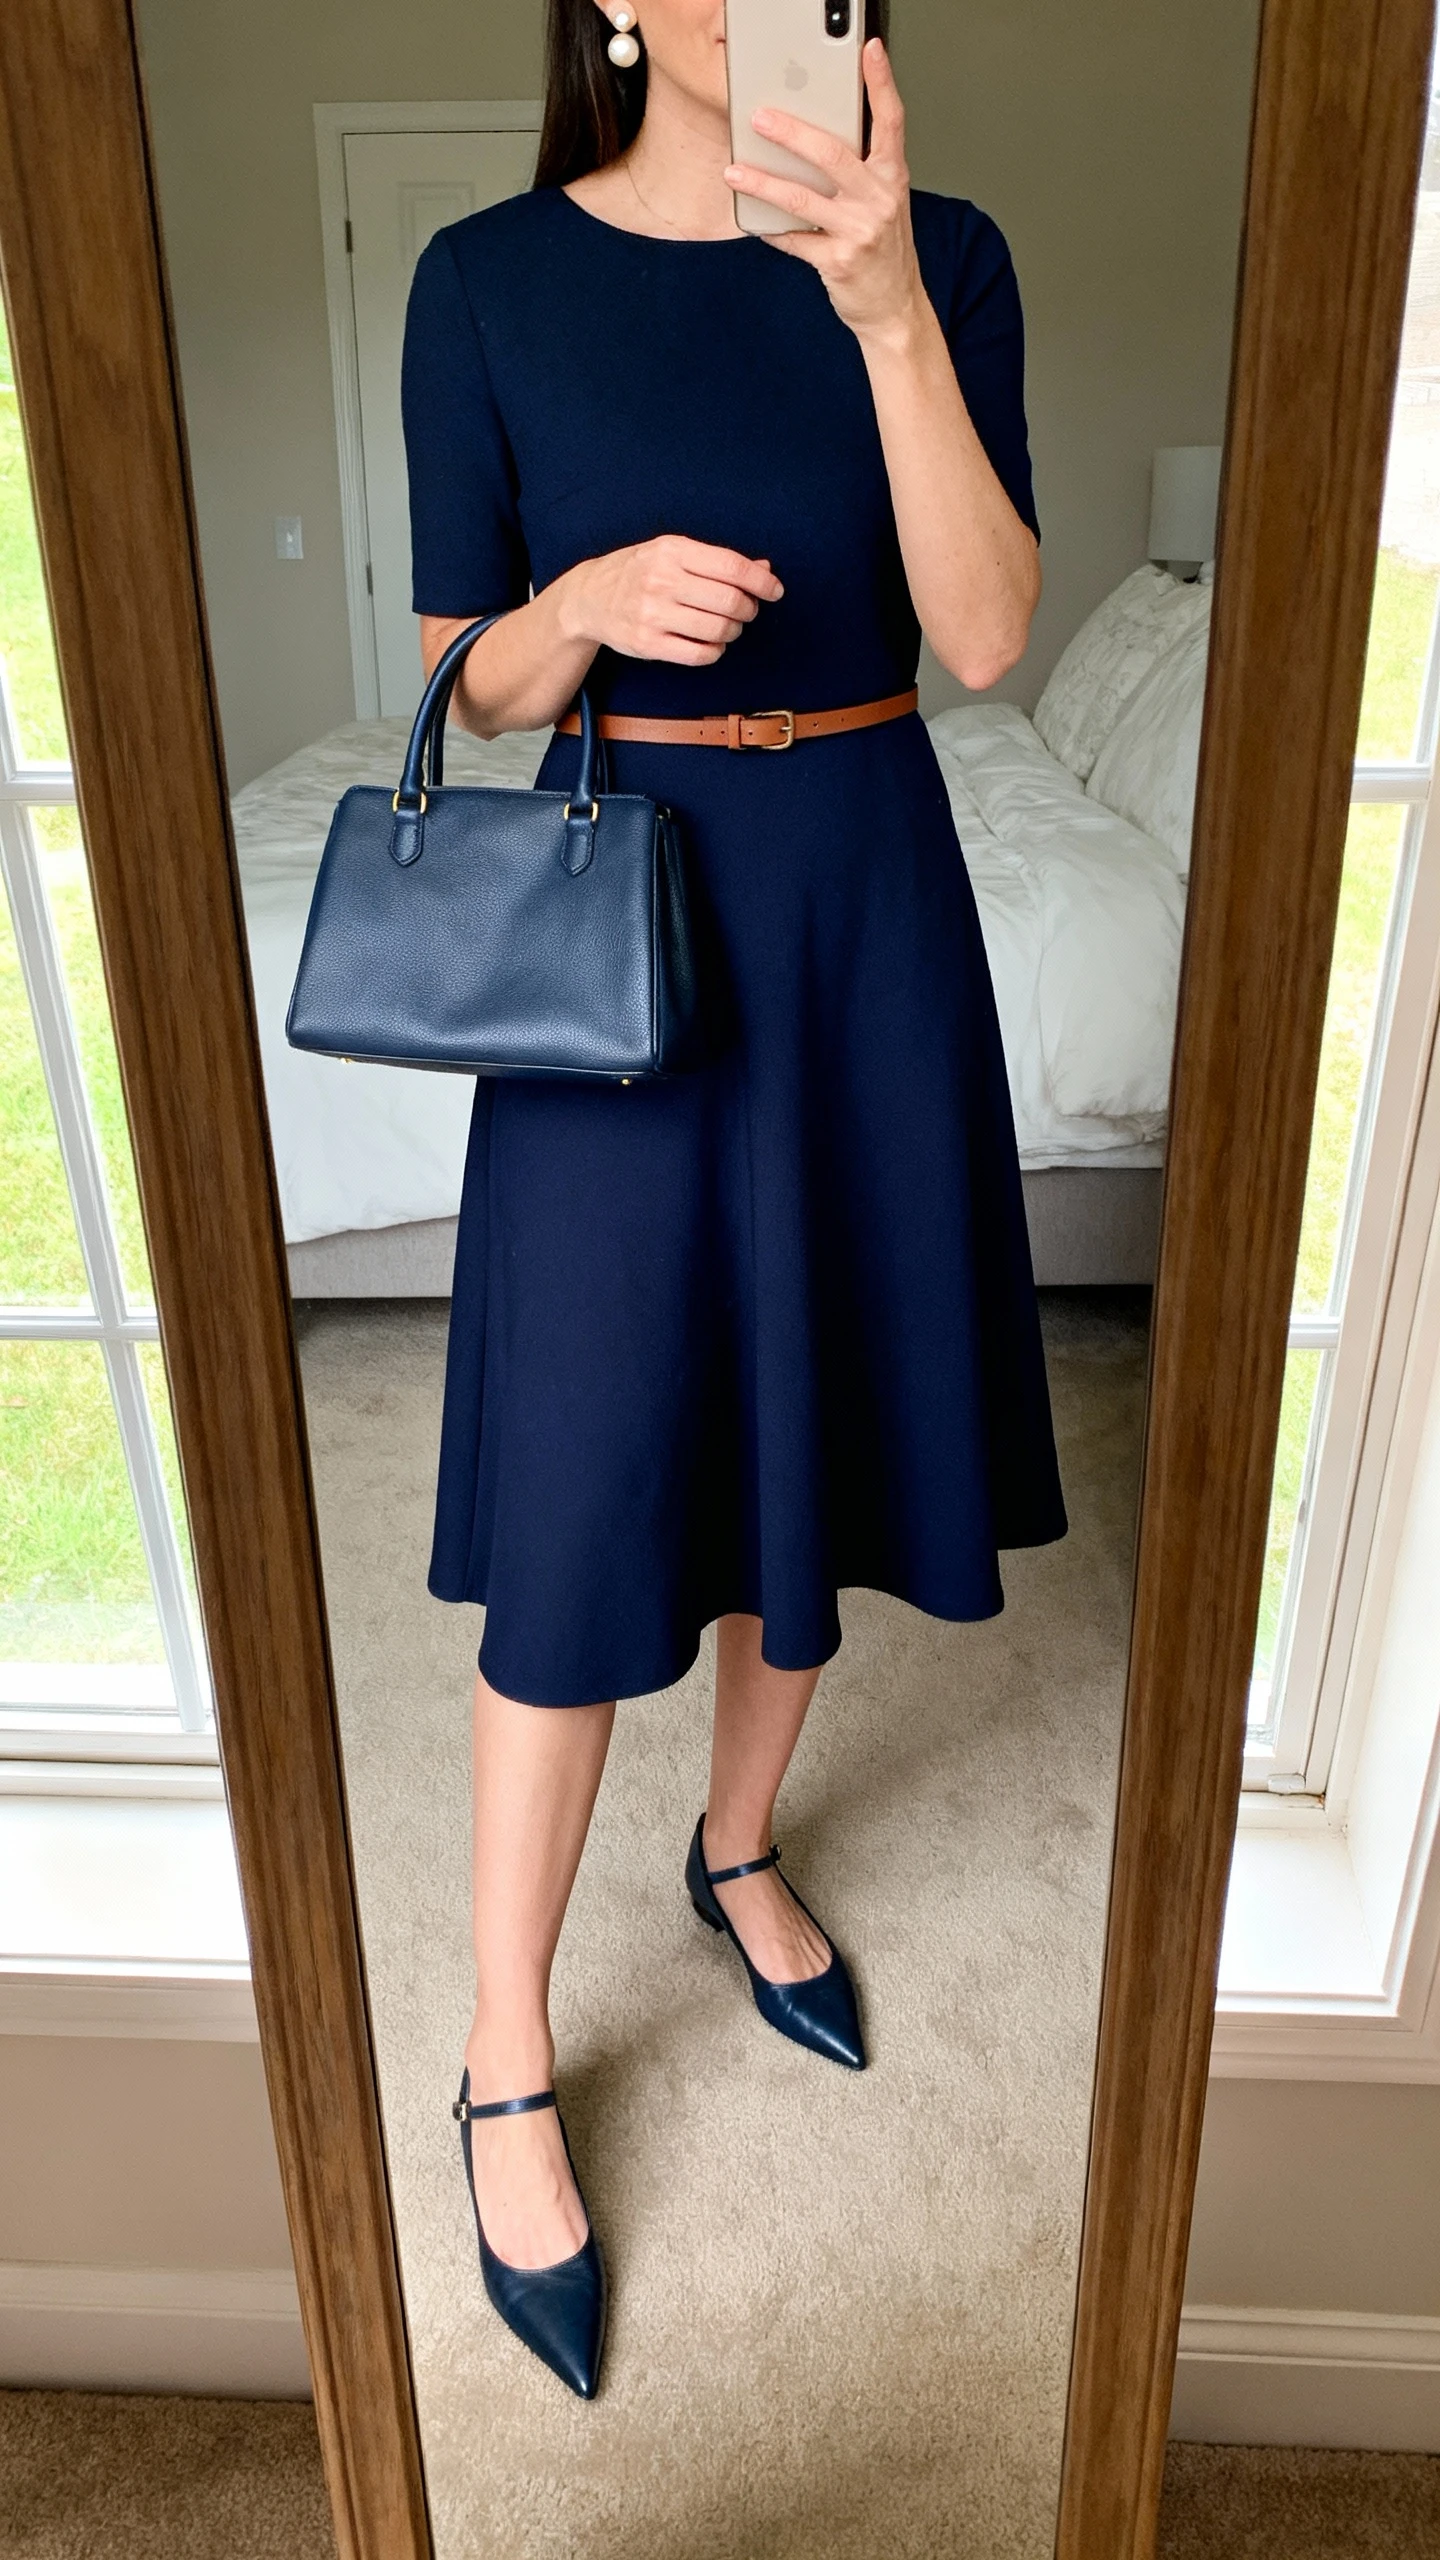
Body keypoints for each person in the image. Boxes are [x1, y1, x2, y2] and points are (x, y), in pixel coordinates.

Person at [401, 0, 1066, 2400]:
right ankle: (500, 2039)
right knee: (587, 1492)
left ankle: (743, 1836)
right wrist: (571, 609)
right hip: (616, 927)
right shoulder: (484, 277)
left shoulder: (946, 254)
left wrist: (884, 305)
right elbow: (469, 682)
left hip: (866, 896)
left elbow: (985, 634)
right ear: (613, 12)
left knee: (841, 1422)